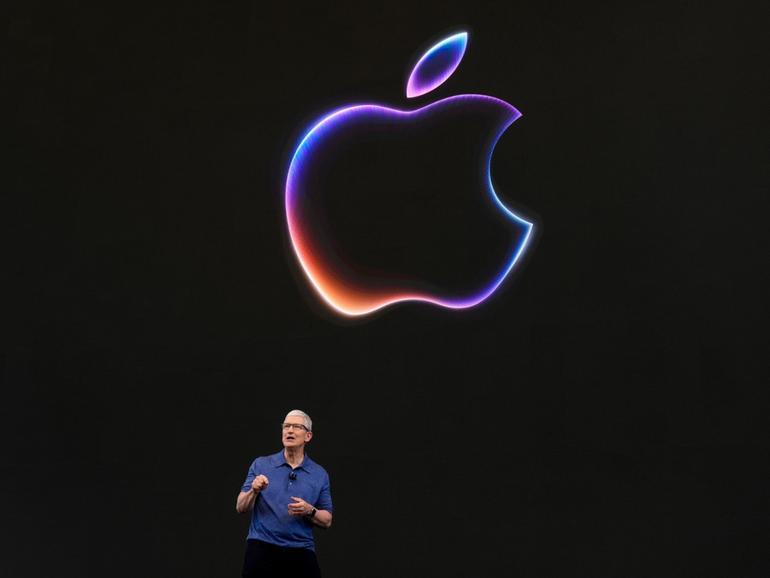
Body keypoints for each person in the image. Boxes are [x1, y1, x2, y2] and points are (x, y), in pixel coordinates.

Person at [236, 409, 333, 578]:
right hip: (262, 547)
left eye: (296, 426)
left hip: (301, 550)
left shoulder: (319, 474)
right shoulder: (261, 464)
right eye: (286, 426)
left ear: (308, 436)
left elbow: (327, 520)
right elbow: (240, 507)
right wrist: (254, 490)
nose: (289, 430)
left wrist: (310, 510)